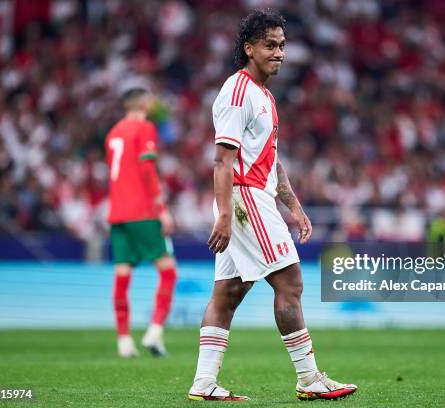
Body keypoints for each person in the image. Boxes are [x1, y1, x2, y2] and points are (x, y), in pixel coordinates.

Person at [188, 9, 357, 401]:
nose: (279, 53)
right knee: (290, 282)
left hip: (251, 197)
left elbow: (270, 160)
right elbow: (222, 160)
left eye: (282, 45)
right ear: (249, 49)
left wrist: (294, 206)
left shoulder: (263, 95)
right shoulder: (237, 92)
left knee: (227, 292)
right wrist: (227, 214)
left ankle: (203, 383)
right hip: (244, 199)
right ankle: (309, 378)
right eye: (270, 45)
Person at [105, 88, 177, 358]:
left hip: (117, 213)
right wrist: (161, 208)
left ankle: (124, 341)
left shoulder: (113, 132)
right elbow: (147, 170)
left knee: (122, 274)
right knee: (168, 273)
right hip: (142, 212)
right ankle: (155, 331)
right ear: (145, 104)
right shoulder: (144, 127)